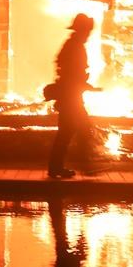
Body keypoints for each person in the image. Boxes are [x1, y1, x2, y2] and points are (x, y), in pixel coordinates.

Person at [47, 13, 95, 179]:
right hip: (70, 96)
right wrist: (81, 84)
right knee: (75, 129)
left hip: (71, 95)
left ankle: (58, 167)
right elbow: (71, 73)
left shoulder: (73, 45)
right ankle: (83, 164)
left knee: (71, 130)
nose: (88, 35)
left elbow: (70, 71)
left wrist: (83, 84)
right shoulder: (74, 46)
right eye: (87, 31)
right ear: (82, 30)